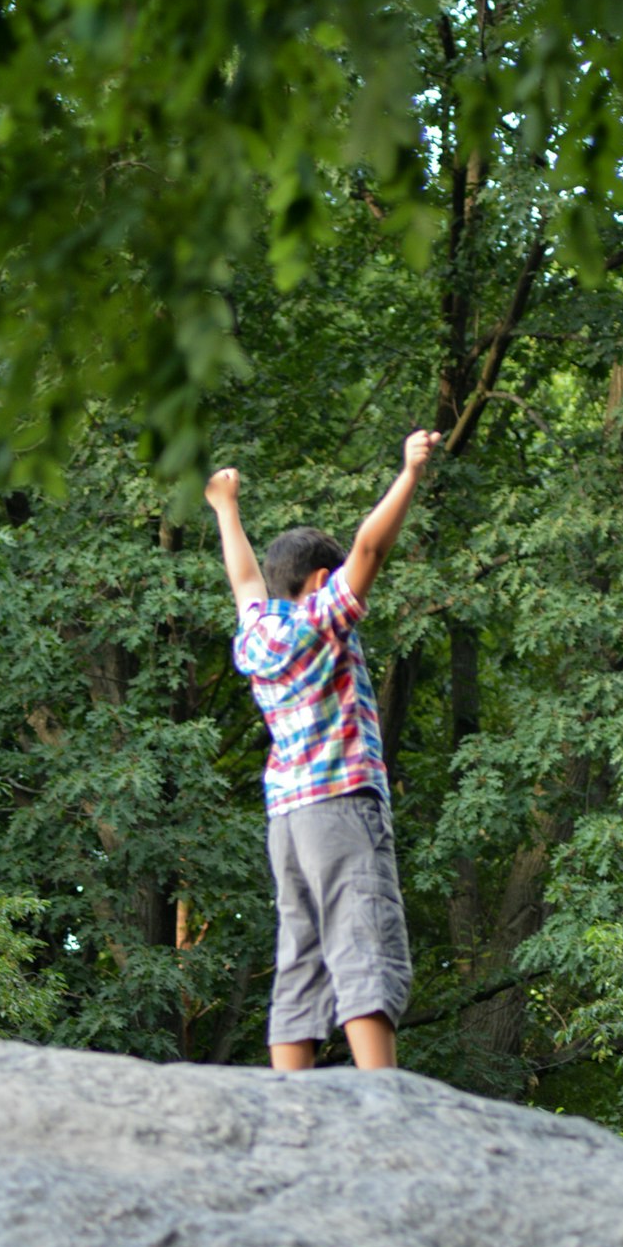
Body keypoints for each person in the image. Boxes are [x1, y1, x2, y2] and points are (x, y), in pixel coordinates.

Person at [204, 430, 440, 1070]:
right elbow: (370, 545)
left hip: (287, 820)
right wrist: (409, 474)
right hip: (340, 806)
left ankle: (291, 1101)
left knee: (301, 948)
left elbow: (244, 578)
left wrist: (225, 506)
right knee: (363, 929)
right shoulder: (320, 619)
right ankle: (379, 1090)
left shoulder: (259, 630)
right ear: (320, 580)